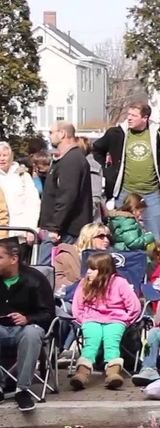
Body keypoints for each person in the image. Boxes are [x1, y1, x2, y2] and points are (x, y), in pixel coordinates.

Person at [92, 102, 160, 239]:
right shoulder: (116, 133)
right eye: (128, 114)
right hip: (124, 192)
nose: (129, 118)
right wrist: (107, 171)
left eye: (134, 115)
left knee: (155, 235)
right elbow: (97, 149)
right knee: (121, 234)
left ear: (145, 118)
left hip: (152, 192)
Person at [70, 252, 141, 391]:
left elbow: (134, 305)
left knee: (111, 343)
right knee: (91, 343)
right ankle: (81, 375)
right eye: (88, 268)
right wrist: (83, 319)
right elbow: (77, 305)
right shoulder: (85, 283)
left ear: (104, 270)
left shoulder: (120, 283)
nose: (88, 271)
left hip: (116, 319)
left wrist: (126, 319)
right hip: (91, 318)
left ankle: (113, 374)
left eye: (93, 269)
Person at [0, 239, 55, 411]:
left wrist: (27, 318)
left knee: (31, 334)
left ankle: (22, 390)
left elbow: (49, 314)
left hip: (27, 328)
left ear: (13, 259)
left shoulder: (35, 279)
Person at [39, 122, 94, 265]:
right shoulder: (65, 159)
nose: (49, 136)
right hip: (61, 229)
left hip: (66, 231)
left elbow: (67, 196)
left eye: (51, 132)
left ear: (62, 133)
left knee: (45, 270)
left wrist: (55, 227)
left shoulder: (72, 160)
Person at [53, 223, 111, 296]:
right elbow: (58, 281)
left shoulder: (112, 258)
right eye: (101, 236)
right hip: (73, 296)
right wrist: (82, 289)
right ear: (88, 237)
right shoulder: (65, 256)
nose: (106, 240)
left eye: (108, 237)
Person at [0, 142, 40, 239]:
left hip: (21, 232)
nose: (2, 158)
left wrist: (31, 228)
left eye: (5, 155)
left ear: (11, 157)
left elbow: (33, 203)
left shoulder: (22, 175)